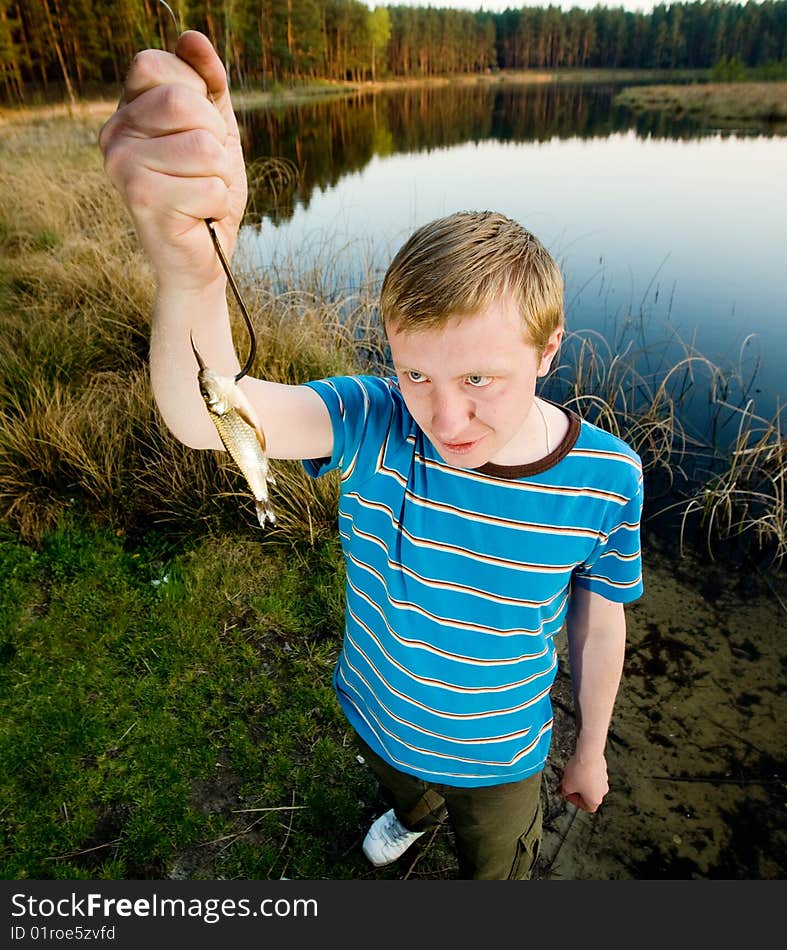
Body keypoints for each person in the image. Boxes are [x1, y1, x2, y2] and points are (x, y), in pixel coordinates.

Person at [99, 31, 644, 880]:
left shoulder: (609, 478)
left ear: (547, 352)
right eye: (415, 372)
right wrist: (192, 275)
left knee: (494, 868)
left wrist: (592, 750)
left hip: (505, 759)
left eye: (479, 378)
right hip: (380, 714)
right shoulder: (371, 418)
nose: (445, 414)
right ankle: (411, 808)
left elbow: (600, 615)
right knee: (408, 789)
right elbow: (209, 414)